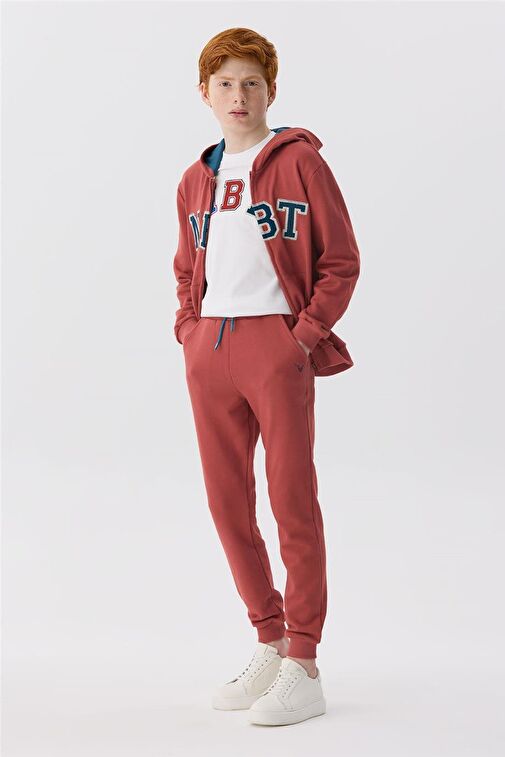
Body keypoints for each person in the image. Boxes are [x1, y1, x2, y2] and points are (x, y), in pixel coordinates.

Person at [173, 27, 360, 726]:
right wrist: (188, 328)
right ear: (204, 93)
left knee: (291, 501)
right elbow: (185, 265)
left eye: (251, 82)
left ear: (271, 91)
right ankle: (269, 638)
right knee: (227, 504)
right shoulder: (195, 178)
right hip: (210, 349)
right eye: (225, 83)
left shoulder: (299, 162)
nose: (238, 95)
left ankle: (304, 662)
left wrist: (300, 338)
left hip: (274, 346)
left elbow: (340, 260)